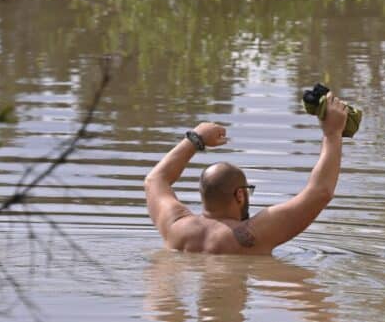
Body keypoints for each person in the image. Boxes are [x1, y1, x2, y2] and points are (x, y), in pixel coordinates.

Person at [144, 93, 348, 254]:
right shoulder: (254, 234)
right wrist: (332, 134)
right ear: (240, 194)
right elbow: (320, 192)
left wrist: (195, 139)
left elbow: (155, 179)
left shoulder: (175, 227)